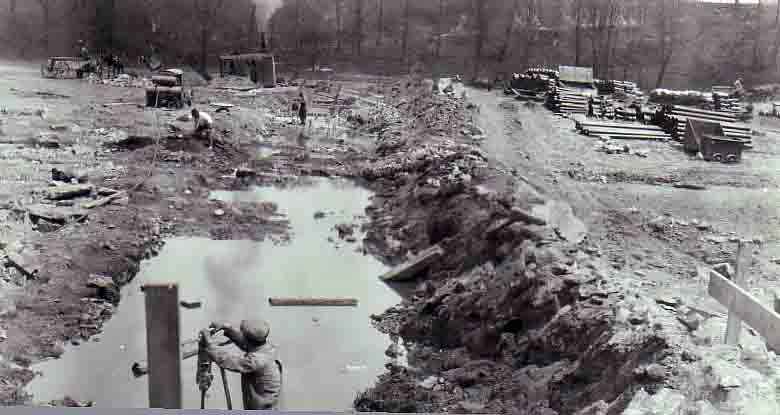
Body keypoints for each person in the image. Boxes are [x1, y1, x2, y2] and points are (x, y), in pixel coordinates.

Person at [200, 319, 283, 410]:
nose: (241, 336)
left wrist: (209, 344)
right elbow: (247, 343)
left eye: (242, 334)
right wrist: (227, 328)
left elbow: (228, 360)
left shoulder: (255, 361)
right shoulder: (267, 348)